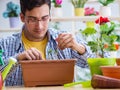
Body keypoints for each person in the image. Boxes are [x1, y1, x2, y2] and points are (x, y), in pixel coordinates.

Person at [0, 0, 94, 86]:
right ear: (22, 17)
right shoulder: (5, 44)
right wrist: (17, 59)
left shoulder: (65, 39)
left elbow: (99, 63)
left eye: (44, 18)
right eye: (33, 19)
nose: (39, 26)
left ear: (50, 16)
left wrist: (79, 48)